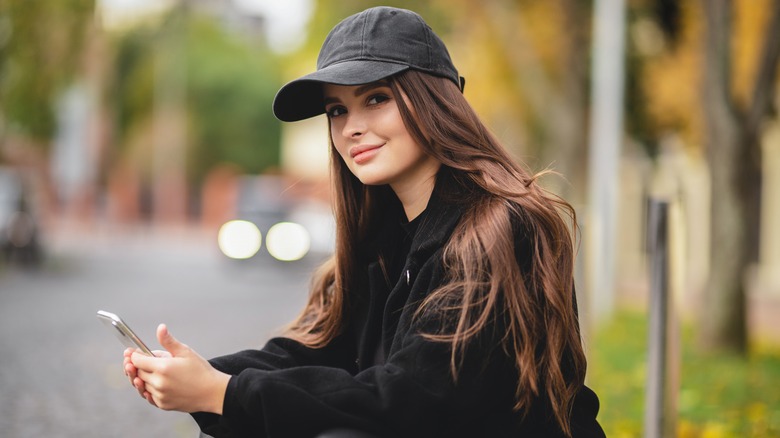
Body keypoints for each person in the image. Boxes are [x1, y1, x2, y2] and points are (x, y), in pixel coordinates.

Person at [123, 6, 606, 437]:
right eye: (337, 110)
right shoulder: (382, 240)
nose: (351, 126)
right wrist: (201, 373)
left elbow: (414, 400)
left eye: (375, 98)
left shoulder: (501, 229)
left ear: (434, 101)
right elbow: (315, 353)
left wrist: (224, 393)